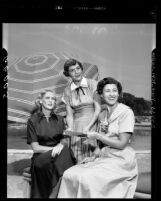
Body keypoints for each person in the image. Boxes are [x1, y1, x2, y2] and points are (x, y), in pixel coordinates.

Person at [58, 77, 138, 198]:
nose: (112, 94)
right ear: (101, 94)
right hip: (104, 156)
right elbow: (101, 145)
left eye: (114, 90)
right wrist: (94, 156)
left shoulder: (126, 112)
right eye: (107, 91)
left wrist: (97, 135)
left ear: (118, 93)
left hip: (121, 159)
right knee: (70, 173)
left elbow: (122, 144)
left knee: (86, 178)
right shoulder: (103, 113)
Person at [27, 89, 76, 198]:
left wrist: (61, 145)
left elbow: (63, 140)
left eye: (53, 99)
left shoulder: (59, 119)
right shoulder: (33, 120)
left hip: (58, 156)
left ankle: (53, 194)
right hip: (40, 157)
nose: (50, 101)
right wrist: (54, 149)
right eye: (47, 98)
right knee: (65, 154)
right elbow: (35, 148)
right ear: (40, 101)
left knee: (66, 150)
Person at [62, 58, 101, 162]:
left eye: (78, 68)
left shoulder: (93, 84)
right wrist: (70, 128)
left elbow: (98, 109)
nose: (76, 72)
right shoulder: (67, 90)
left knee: (92, 158)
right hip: (77, 127)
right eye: (72, 70)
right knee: (78, 157)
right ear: (68, 74)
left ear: (81, 69)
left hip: (93, 124)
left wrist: (88, 127)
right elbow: (69, 115)